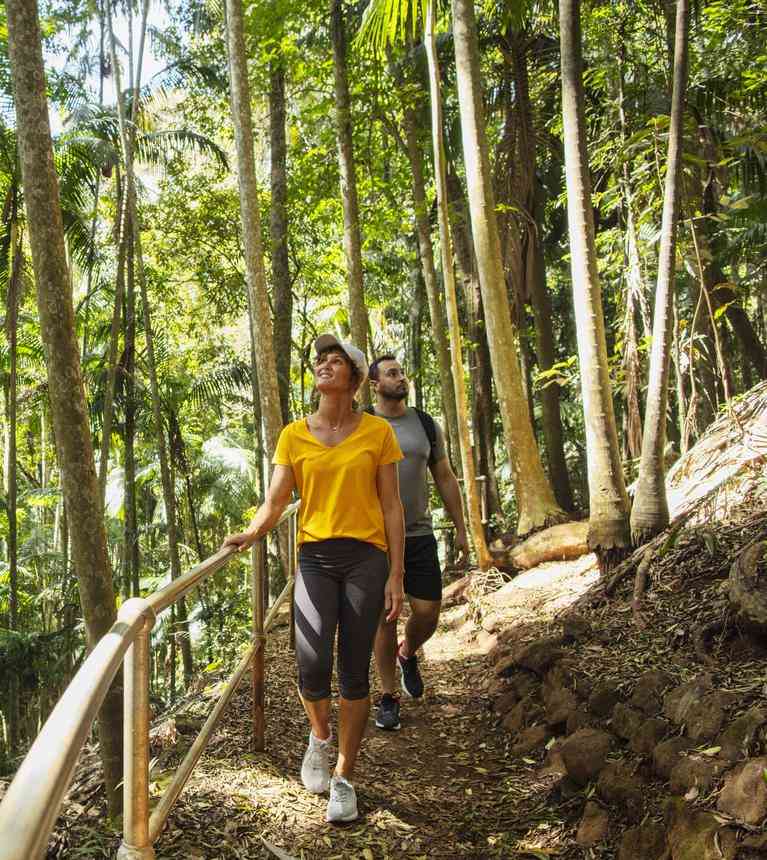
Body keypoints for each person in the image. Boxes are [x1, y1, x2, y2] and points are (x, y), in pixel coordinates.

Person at [223, 335, 405, 823]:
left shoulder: (376, 433)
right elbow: (277, 499)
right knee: (311, 662)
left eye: (336, 360)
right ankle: (319, 738)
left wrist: (397, 575)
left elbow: (391, 504)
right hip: (316, 558)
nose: (324, 365)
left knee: (352, 669)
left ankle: (344, 777)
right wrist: (253, 532)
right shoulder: (293, 434)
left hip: (367, 557)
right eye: (320, 360)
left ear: (354, 377)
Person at [368, 356, 469, 731]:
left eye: (402, 372)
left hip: (419, 535)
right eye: (392, 373)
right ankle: (388, 697)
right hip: (374, 539)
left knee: (427, 613)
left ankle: (407, 652)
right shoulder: (363, 423)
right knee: (384, 618)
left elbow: (444, 475)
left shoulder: (425, 424)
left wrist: (461, 529)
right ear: (374, 384)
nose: (401, 377)